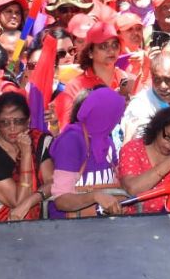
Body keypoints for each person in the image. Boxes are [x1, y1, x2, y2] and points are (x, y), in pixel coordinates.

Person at [48, 88, 126, 218]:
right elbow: (61, 200)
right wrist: (95, 196)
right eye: (116, 113)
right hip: (69, 225)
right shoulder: (71, 141)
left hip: (100, 223)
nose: (119, 118)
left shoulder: (107, 141)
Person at [0, 92, 53, 221]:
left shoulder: (38, 141)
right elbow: (18, 201)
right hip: (3, 226)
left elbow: (52, 182)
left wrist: (32, 200)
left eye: (18, 121)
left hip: (40, 225)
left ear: (28, 121)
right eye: (5, 122)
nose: (12, 128)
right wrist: (26, 154)